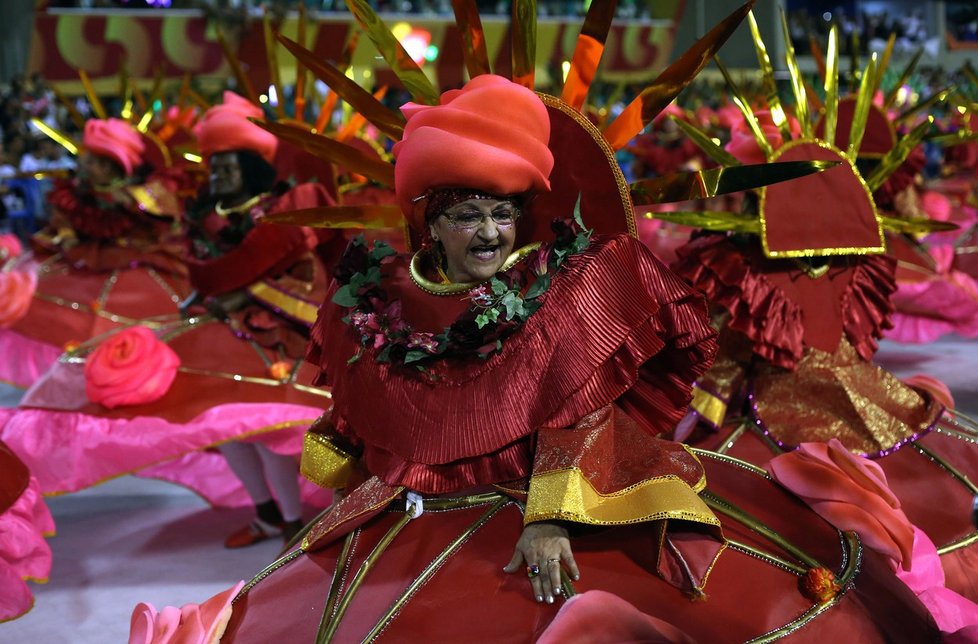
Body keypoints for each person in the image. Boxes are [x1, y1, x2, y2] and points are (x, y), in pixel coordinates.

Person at [143, 75, 940, 643]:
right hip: (416, 514)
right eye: (467, 216)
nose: (489, 234)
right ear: (430, 223)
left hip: (567, 498)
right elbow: (361, 426)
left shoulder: (570, 288)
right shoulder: (370, 301)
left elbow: (576, 411)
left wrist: (550, 517)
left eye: (501, 213)